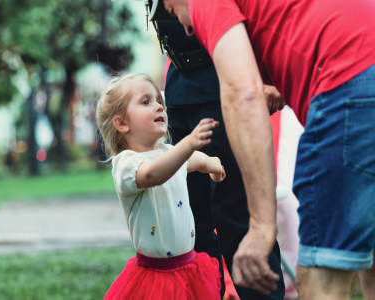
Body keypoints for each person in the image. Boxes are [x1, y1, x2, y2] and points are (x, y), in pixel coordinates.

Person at [147, 0, 375, 299]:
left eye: (173, 14)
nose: (188, 30)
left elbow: (245, 96)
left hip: (346, 83)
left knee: (322, 279)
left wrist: (261, 228)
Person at [155, 20, 285, 300]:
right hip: (179, 83)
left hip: (224, 80)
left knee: (235, 210)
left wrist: (268, 73)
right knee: (188, 219)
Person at [96, 73, 226, 300]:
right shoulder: (126, 164)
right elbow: (153, 174)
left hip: (190, 270)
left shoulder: (169, 152)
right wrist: (187, 144)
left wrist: (214, 166)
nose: (158, 106)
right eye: (146, 102)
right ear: (122, 123)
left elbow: (197, 160)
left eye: (159, 101)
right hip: (154, 279)